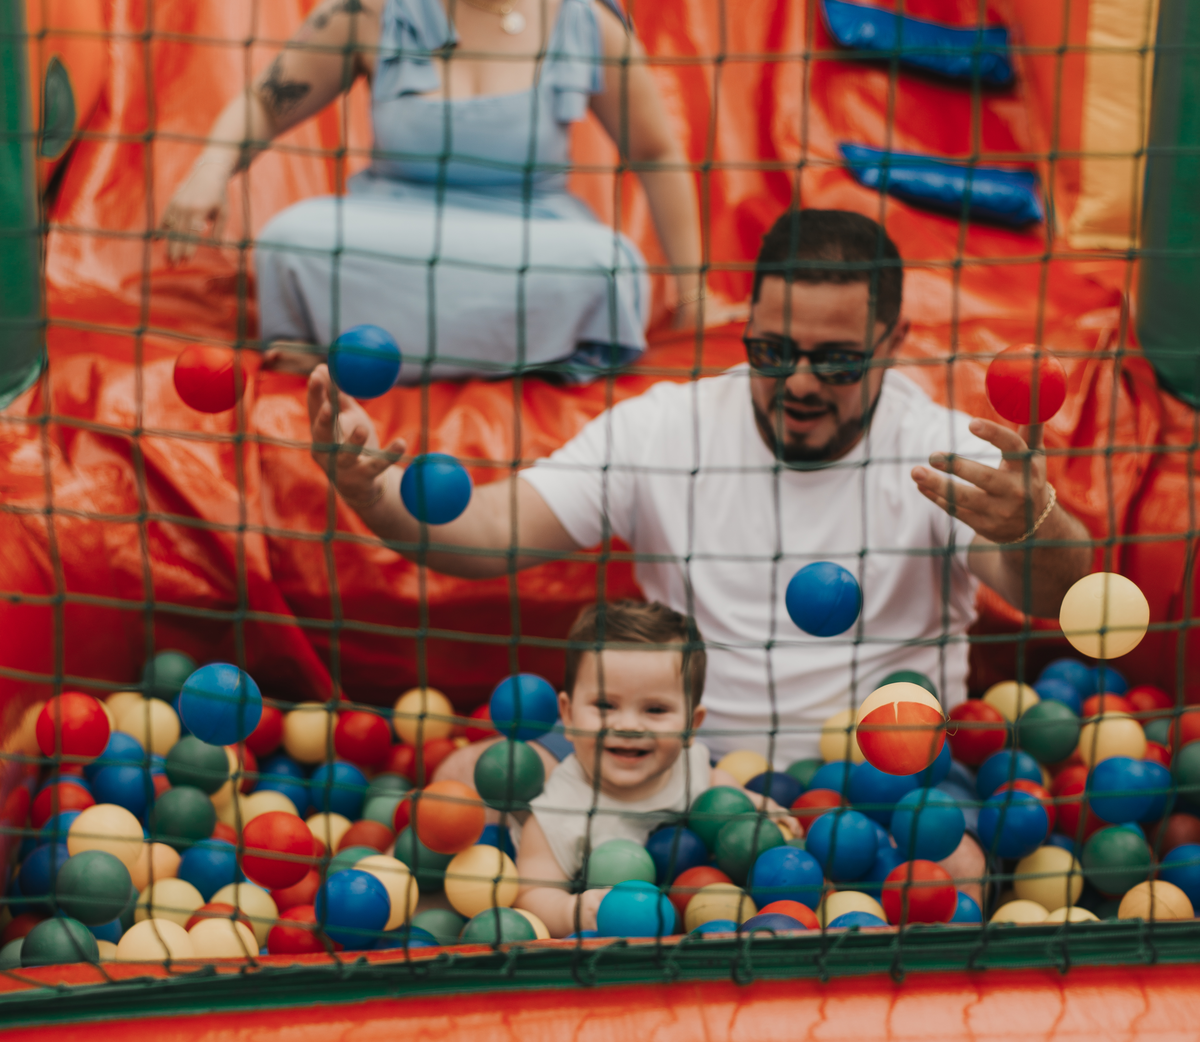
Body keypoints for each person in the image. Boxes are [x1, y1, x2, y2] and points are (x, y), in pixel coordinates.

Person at [306, 208, 1093, 758]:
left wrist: (1034, 524)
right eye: (774, 351)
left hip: (882, 783)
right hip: (674, 772)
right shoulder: (666, 429)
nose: (802, 383)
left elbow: (1056, 594)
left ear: (891, 344)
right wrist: (373, 493)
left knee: (946, 872)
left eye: (838, 359)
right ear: (744, 329)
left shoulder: (940, 452)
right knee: (483, 790)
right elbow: (486, 535)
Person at [162, 0, 711, 381]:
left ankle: (369, 349)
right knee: (293, 239)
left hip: (529, 244)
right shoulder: (375, 4)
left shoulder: (581, 17)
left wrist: (692, 299)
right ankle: (499, 352)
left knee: (606, 265)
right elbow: (266, 102)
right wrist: (210, 169)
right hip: (387, 233)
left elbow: (658, 153)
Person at [514, 600, 765, 935]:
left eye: (656, 709)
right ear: (569, 715)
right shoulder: (555, 815)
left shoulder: (691, 768)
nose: (628, 725)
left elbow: (721, 789)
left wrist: (760, 808)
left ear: (691, 725)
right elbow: (530, 894)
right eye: (605, 705)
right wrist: (572, 910)